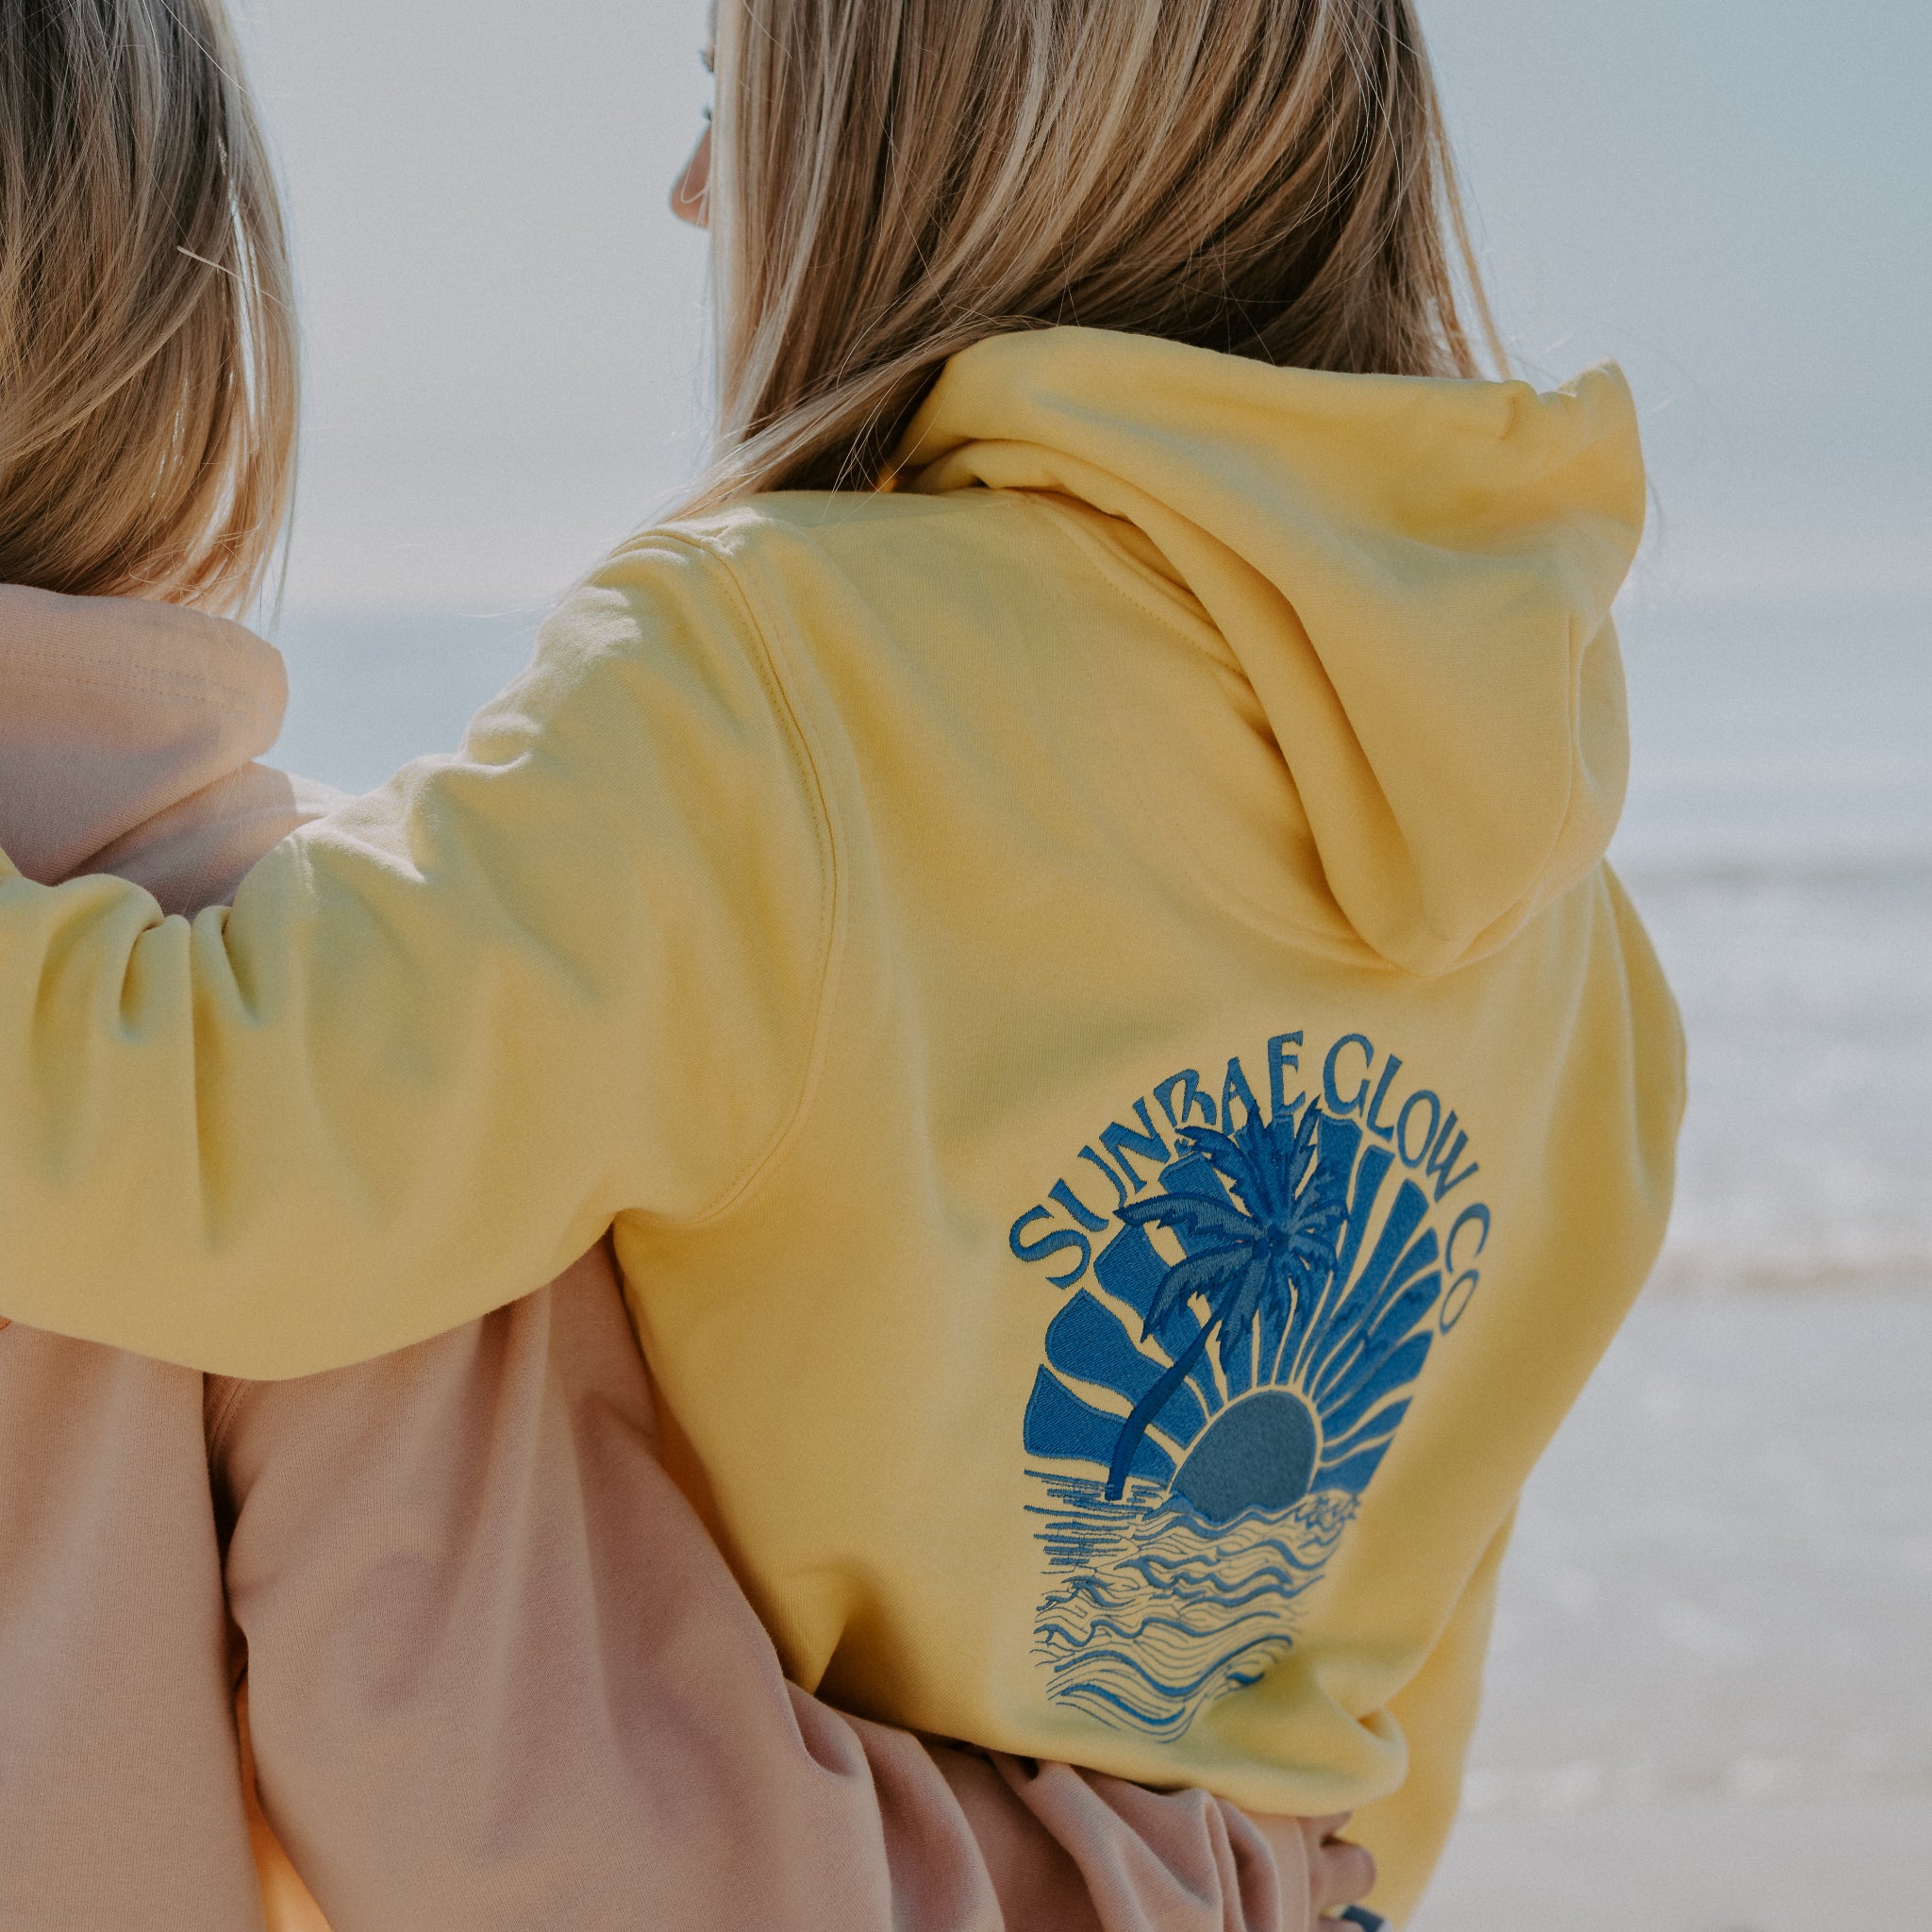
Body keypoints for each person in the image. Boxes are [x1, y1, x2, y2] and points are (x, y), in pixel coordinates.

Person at [0, 0, 1685, 1923]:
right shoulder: (1578, 947)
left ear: (930, 136)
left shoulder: (775, 690)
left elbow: (240, 1140)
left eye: (729, 97)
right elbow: (1380, 1711)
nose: (692, 186)